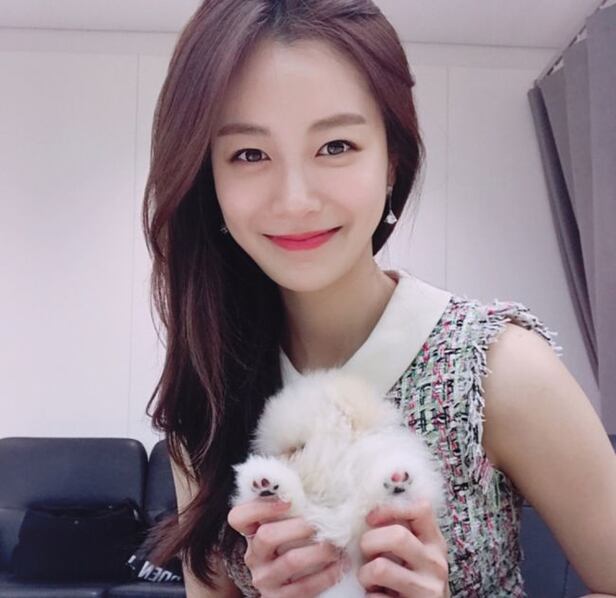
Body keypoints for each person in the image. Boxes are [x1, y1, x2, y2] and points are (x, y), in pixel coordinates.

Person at [141, 1, 616, 597]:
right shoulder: (209, 395)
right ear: (207, 177)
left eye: (336, 145)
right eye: (250, 154)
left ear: (392, 158)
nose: (296, 199)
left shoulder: (495, 368)